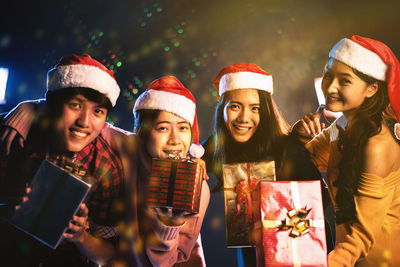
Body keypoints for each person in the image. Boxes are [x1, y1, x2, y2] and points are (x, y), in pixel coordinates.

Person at [2, 75, 211, 266]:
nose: (175, 140)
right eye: (163, 128)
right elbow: (88, 123)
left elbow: (163, 263)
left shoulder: (195, 189)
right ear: (141, 132)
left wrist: (168, 227)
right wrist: (29, 108)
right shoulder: (129, 147)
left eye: (183, 128)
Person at [200, 63, 334, 266]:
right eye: (235, 106)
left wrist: (275, 211)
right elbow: (194, 158)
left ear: (266, 113)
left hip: (296, 253)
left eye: (255, 109)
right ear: (222, 109)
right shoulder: (218, 145)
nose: (244, 118)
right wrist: (196, 160)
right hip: (251, 256)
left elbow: (321, 201)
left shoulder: (288, 149)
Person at [0, 54, 125, 266]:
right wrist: (9, 207)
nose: (84, 122)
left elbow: (108, 254)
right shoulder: (16, 138)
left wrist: (81, 237)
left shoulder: (106, 167)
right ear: (52, 104)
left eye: (98, 111)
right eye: (75, 105)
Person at [292, 35, 400, 266]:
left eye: (345, 81)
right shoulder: (343, 125)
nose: (330, 87)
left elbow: (361, 237)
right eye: (328, 74)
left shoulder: (378, 144)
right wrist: (299, 136)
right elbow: (306, 161)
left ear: (371, 89)